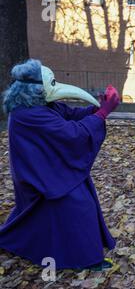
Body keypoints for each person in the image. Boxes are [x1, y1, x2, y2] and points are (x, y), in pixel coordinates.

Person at [0, 59, 119, 270]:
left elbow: (70, 114)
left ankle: (18, 240)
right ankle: (85, 259)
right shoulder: (29, 114)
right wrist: (102, 114)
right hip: (40, 175)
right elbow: (73, 135)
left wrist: (96, 107)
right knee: (79, 207)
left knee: (50, 211)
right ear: (36, 88)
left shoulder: (39, 106)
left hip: (48, 170)